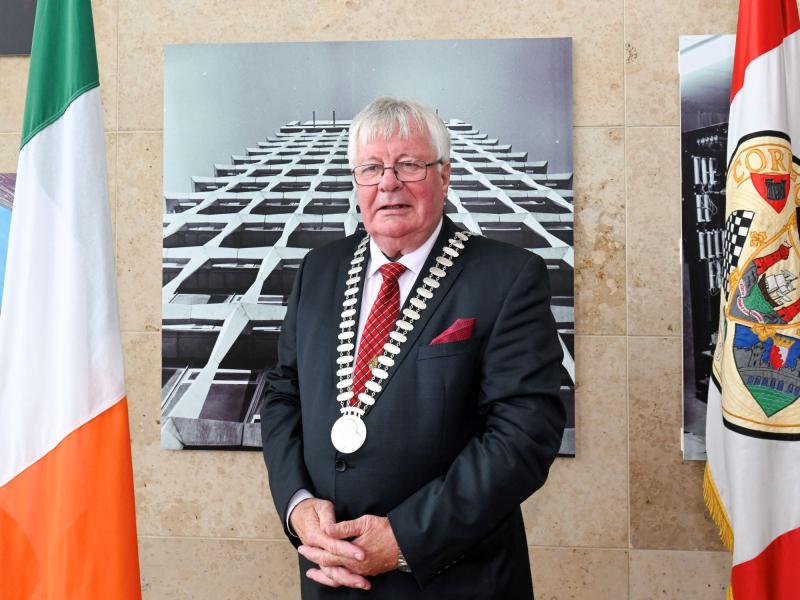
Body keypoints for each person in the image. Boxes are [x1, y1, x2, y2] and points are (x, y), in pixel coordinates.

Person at [260, 97, 565, 599]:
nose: (389, 182)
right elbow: (283, 395)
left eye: (409, 164)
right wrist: (296, 505)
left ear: (444, 176)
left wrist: (407, 537)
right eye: (372, 168)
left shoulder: (509, 276)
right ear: (356, 182)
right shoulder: (318, 271)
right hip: (330, 578)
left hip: (455, 580)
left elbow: (524, 432)